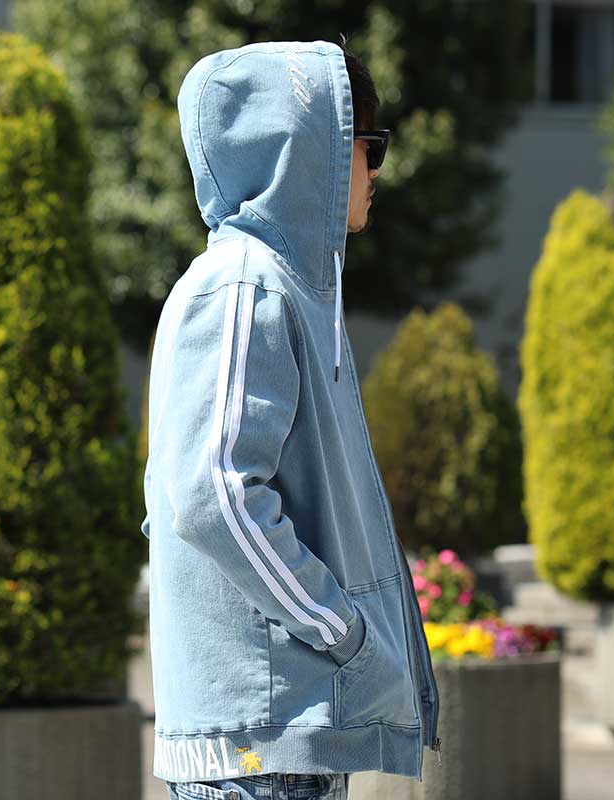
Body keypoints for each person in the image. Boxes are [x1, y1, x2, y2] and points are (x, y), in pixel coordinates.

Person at [140, 37, 441, 800]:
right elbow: (214, 495)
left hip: (280, 734)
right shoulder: (244, 288)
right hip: (262, 746)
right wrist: (343, 633)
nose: (376, 170)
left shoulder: (286, 288)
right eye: (367, 145)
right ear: (313, 151)